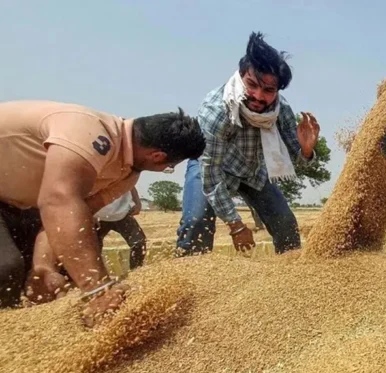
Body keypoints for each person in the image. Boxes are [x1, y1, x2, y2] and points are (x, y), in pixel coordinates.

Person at [0, 101, 205, 325]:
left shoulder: (127, 175)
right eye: (169, 167)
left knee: (61, 276)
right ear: (157, 156)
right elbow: (59, 201)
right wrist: (98, 289)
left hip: (23, 205)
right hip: (12, 200)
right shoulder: (89, 131)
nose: (166, 170)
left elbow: (74, 217)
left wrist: (44, 267)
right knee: (7, 268)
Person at [176, 32, 320, 256]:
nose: (258, 96)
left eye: (268, 90)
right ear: (241, 75)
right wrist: (236, 225)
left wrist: (307, 149)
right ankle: (187, 280)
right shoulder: (217, 110)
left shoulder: (281, 110)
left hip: (252, 172)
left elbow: (299, 159)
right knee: (195, 223)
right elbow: (211, 176)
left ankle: (292, 279)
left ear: (278, 91)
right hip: (213, 167)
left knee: (286, 224)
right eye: (251, 85)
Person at [93, 188, 147, 270]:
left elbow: (131, 185)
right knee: (92, 248)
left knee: (139, 242)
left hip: (123, 213)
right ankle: (94, 276)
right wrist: (88, 213)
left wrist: (137, 202)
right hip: (98, 216)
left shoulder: (126, 175)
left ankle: (136, 272)